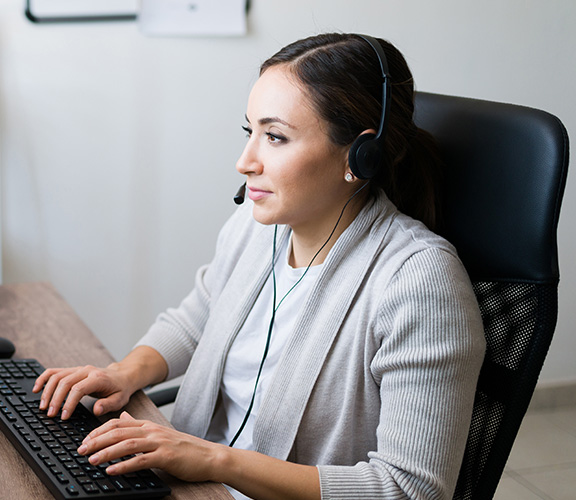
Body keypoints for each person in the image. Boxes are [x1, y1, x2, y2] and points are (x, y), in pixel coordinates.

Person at [32, 33, 486, 500]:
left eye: (275, 136)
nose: (245, 162)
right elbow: (198, 318)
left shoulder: (419, 284)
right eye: (249, 132)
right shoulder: (258, 227)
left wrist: (214, 459)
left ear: (358, 155)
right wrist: (125, 373)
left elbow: (410, 491)